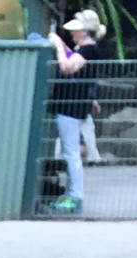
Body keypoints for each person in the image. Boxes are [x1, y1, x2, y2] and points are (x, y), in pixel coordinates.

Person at [47, 10, 102, 215]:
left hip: (70, 108)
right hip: (71, 106)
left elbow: (67, 67)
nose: (72, 33)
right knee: (70, 152)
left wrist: (59, 47)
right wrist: (64, 46)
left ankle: (76, 197)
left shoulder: (88, 51)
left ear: (86, 31)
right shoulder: (85, 50)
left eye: (76, 29)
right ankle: (71, 194)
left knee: (71, 153)